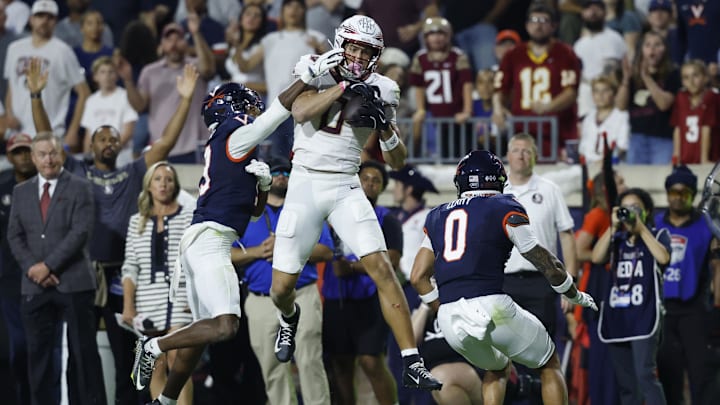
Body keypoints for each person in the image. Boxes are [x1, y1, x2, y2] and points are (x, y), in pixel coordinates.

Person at [130, 47, 346, 405]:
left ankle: (165, 401)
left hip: (205, 238)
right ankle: (152, 346)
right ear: (233, 108)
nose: (252, 113)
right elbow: (276, 115)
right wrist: (304, 80)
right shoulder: (235, 132)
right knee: (226, 326)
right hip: (211, 241)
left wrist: (261, 189)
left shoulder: (232, 147)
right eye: (248, 107)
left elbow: (255, 214)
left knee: (201, 336)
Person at [268, 14, 442, 391]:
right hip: (305, 182)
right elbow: (299, 111)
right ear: (341, 44)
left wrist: (384, 128)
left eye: (366, 50)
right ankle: (288, 318)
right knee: (280, 288)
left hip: (347, 183)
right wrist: (342, 87)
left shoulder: (385, 88)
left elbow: (397, 162)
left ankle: (412, 359)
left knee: (382, 267)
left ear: (376, 54)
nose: (358, 55)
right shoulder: (315, 68)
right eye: (353, 47)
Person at [28, 58, 199, 405]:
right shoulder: (74, 170)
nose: (108, 142)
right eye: (101, 138)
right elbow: (47, 140)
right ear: (90, 145)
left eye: (113, 138)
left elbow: (165, 143)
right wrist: (35, 97)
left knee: (131, 354)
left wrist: (184, 100)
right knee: (81, 351)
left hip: (124, 277)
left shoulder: (136, 172)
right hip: (84, 276)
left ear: (120, 145)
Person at [410, 149, 597, 405]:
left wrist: (442, 307)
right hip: (490, 305)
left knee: (497, 367)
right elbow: (542, 259)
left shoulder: (436, 215)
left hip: (450, 318)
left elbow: (418, 276)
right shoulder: (503, 205)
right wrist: (572, 292)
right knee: (548, 362)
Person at [7, 132, 106, 405]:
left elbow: (81, 232)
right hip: (34, 286)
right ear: (34, 158)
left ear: (60, 154)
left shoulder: (80, 186)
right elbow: (14, 235)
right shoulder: (21, 191)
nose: (48, 159)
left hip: (74, 282)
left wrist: (48, 266)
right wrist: (32, 268)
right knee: (37, 356)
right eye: (42, 154)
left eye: (53, 153)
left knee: (83, 354)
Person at [232, 156, 333, 405]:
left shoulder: (307, 209)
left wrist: (290, 247)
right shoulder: (246, 212)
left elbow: (327, 251)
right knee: (271, 368)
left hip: (301, 294)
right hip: (261, 300)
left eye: (287, 174)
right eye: (276, 173)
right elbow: (227, 253)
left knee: (310, 360)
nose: (281, 177)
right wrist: (259, 251)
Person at [323, 160, 401, 405]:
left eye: (375, 180)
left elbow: (394, 259)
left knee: (371, 361)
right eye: (365, 178)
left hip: (370, 300)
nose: (369, 184)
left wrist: (353, 267)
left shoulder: (387, 219)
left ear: (382, 187)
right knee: (340, 362)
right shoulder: (333, 215)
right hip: (336, 299)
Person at [122, 162, 195, 405]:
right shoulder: (137, 221)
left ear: (175, 185)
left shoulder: (188, 216)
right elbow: (130, 266)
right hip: (148, 301)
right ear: (149, 185)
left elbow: (196, 260)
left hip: (181, 299)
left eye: (168, 179)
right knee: (154, 363)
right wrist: (128, 305)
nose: (163, 184)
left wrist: (196, 298)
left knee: (178, 361)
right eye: (158, 179)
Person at [592, 187, 670, 405]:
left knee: (645, 376)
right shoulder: (616, 240)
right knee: (627, 384)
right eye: (626, 208)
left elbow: (663, 258)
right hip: (618, 317)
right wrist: (612, 226)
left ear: (647, 211)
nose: (630, 212)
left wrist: (641, 228)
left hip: (645, 317)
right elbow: (597, 257)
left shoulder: (657, 235)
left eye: (636, 207)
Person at [655, 165, 718, 405]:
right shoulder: (655, 223)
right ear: (668, 193)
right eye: (674, 191)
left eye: (684, 192)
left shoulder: (707, 225)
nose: (678, 197)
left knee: (702, 374)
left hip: (695, 310)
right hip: (664, 312)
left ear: (693, 194)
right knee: (669, 376)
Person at [492, 2, 581, 161]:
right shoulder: (513, 54)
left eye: (544, 21)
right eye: (534, 20)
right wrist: (498, 108)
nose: (538, 26)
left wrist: (549, 106)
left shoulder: (565, 53)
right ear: (526, 25)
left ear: (554, 26)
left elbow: (571, 92)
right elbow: (500, 89)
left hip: (557, 130)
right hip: (522, 131)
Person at [4, 0, 90, 145]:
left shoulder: (63, 51)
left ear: (55, 21)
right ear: (31, 19)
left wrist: (73, 131)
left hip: (51, 133)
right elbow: (12, 87)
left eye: (49, 17)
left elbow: (84, 92)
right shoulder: (14, 49)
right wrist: (9, 114)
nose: (44, 20)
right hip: (18, 134)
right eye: (40, 15)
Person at [0, 133, 38, 405]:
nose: (24, 157)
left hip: (46, 278)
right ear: (9, 156)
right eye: (18, 152)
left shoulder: (49, 185)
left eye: (28, 151)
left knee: (43, 349)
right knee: (16, 348)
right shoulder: (1, 186)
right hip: (10, 279)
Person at [671, 60, 716, 164]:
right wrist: (676, 156)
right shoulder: (681, 98)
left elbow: (706, 128)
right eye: (686, 77)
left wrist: (704, 159)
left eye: (695, 75)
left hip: (706, 157)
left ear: (705, 78)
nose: (691, 81)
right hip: (686, 156)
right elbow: (678, 128)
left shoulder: (712, 97)